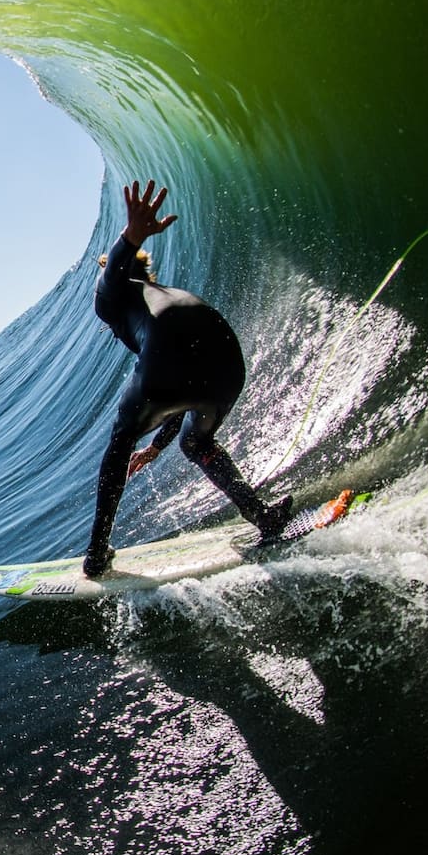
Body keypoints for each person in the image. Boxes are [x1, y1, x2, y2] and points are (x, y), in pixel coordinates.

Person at [83, 179, 292, 577]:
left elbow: (111, 277)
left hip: (169, 355)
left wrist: (130, 236)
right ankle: (261, 515)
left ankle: (95, 554)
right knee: (197, 442)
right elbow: (180, 391)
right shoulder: (163, 292)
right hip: (226, 362)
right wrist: (157, 448)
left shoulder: (113, 295)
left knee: (120, 439)